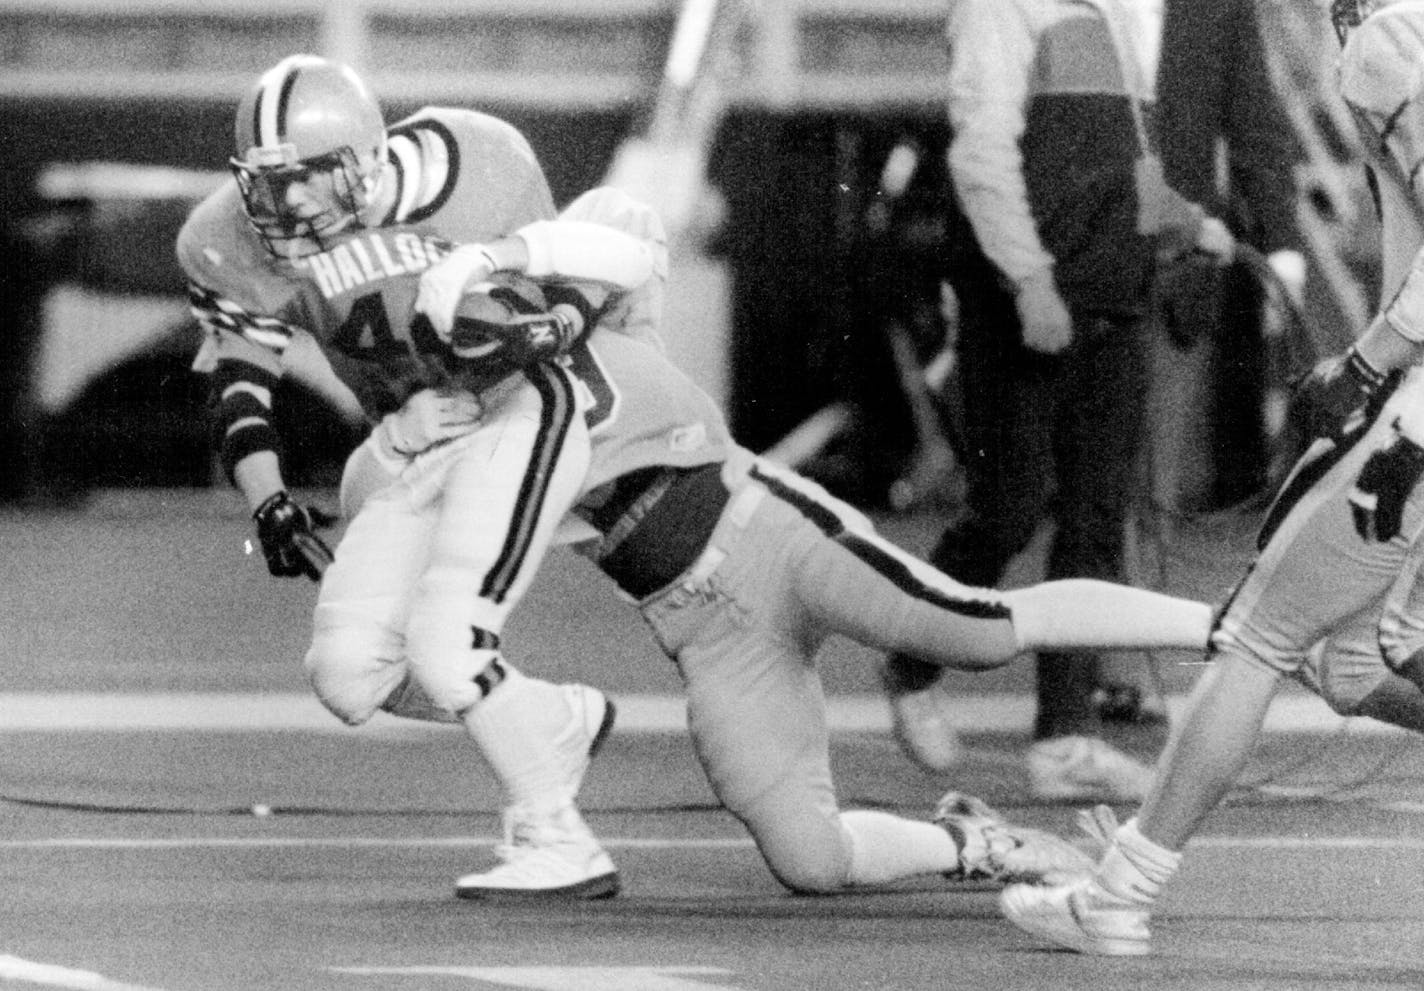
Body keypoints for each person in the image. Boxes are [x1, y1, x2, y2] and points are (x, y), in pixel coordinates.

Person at [321, 197, 1228, 900]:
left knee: (976, 627)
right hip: (703, 628)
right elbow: (377, 504)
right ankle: (976, 844)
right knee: (811, 858)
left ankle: (1223, 628)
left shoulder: (609, 346)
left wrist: (501, 274)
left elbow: (618, 268)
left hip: (774, 541)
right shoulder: (492, 414)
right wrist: (399, 438)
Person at [1001, 0, 1424, 954]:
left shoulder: (1392, 40)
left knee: (1257, 635)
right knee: (1353, 661)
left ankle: (1122, 889)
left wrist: (1364, 364)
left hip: (1415, 413)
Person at [176, 53, 652, 898]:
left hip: (517, 408)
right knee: (349, 671)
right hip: (414, 433)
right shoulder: (231, 237)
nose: (287, 207)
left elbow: (571, 292)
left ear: (364, 158)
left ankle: (558, 835)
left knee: (445, 643)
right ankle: (553, 721)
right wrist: (271, 501)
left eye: (310, 180)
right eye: (267, 185)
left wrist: (537, 335)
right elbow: (240, 379)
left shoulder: (475, 167)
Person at [881, 0, 1235, 797]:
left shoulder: (1108, 16)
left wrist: (1188, 224)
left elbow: (1129, 172)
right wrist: (1029, 279)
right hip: (1029, 298)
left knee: (1094, 523)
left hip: (1115, 298)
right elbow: (981, 155)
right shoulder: (1003, 9)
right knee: (1006, 509)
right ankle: (908, 662)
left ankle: (1065, 740)